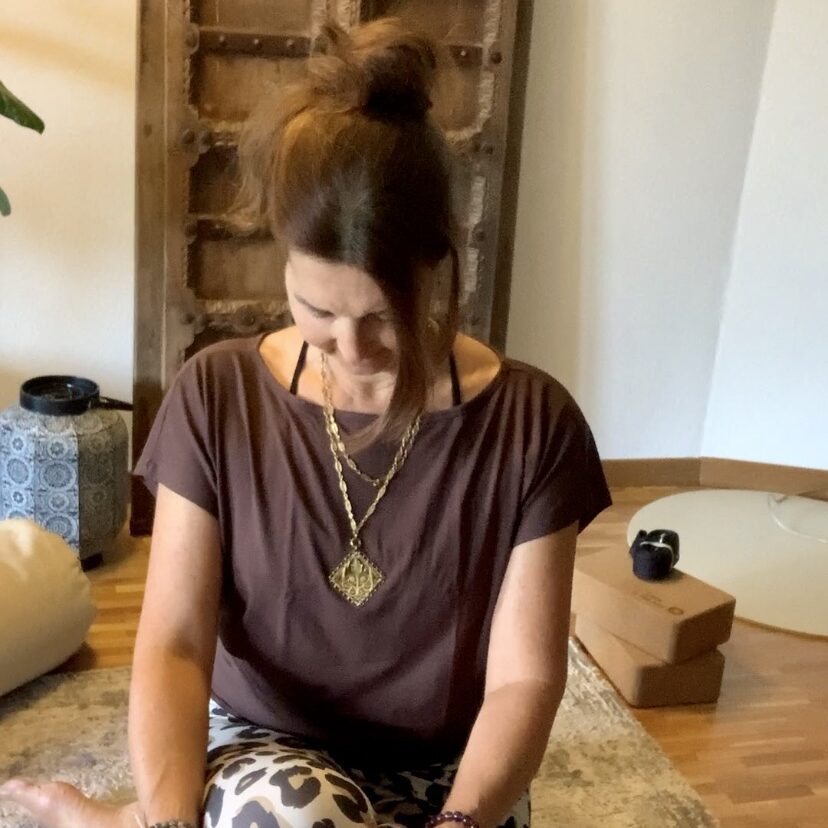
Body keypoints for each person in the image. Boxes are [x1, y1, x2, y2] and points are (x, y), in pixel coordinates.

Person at [0, 17, 611, 828]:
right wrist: (171, 820)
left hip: (447, 778)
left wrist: (462, 823)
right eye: (318, 309)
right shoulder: (217, 395)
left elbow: (525, 681)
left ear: (439, 269)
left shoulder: (534, 425)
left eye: (383, 316)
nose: (350, 349)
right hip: (270, 760)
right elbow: (176, 644)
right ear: (282, 258)